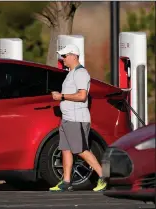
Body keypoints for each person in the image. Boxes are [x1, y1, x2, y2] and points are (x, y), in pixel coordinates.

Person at [49, 44, 107, 192]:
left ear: (74, 56)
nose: (63, 59)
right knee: (66, 149)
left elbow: (82, 96)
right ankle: (66, 182)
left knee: (80, 149)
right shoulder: (71, 73)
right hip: (68, 118)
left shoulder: (81, 73)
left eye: (65, 56)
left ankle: (103, 176)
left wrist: (61, 96)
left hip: (76, 119)